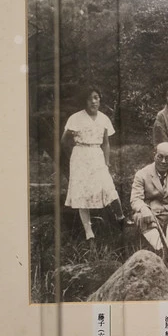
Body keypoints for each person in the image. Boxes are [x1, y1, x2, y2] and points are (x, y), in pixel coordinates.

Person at [61, 87, 124, 245]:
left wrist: (107, 162)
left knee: (108, 186)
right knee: (82, 193)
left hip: (97, 155)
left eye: (96, 98)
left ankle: (121, 218)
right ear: (85, 101)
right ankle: (89, 234)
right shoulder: (76, 118)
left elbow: (106, 143)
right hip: (80, 156)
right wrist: (75, 154)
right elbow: (64, 140)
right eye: (90, 99)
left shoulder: (104, 119)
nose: (94, 102)